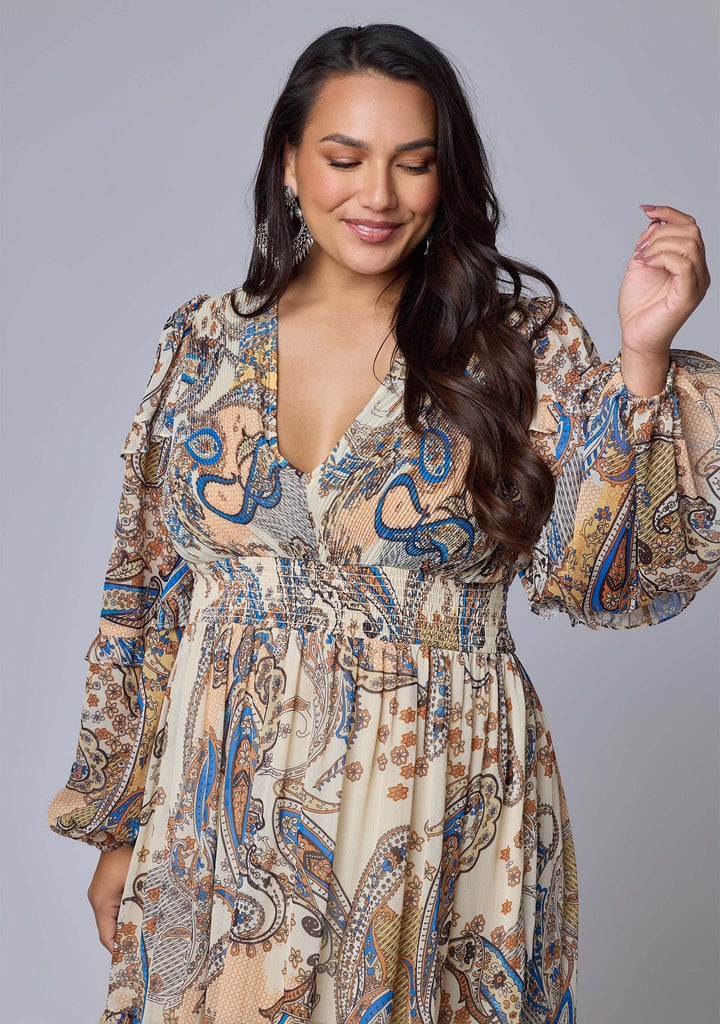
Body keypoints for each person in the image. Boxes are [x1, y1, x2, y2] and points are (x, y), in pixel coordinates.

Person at [46, 22, 718, 1024]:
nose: (379, 195)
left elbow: (611, 579)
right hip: (219, 817)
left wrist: (645, 356)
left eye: (414, 162)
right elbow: (144, 593)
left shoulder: (516, 347)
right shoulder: (201, 343)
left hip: (439, 800)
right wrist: (119, 825)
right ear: (288, 163)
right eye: (345, 157)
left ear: (448, 177)